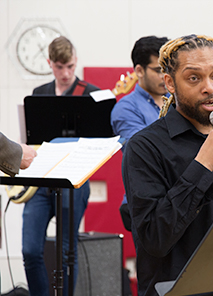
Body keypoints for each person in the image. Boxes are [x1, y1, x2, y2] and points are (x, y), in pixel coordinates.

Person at [122, 34, 213, 296]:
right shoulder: (145, 147)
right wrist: (203, 164)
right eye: (194, 78)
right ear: (170, 83)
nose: (210, 87)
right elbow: (155, 238)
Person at [22, 36, 99, 296]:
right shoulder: (39, 94)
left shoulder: (91, 93)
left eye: (70, 66)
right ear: (49, 64)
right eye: (59, 67)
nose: (66, 74)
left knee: (68, 250)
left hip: (73, 180)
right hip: (41, 180)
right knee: (30, 249)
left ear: (75, 61)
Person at [110, 35, 169, 232]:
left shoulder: (177, 99)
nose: (165, 77)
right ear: (139, 70)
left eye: (168, 70)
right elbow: (143, 153)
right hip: (148, 202)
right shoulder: (126, 108)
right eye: (159, 70)